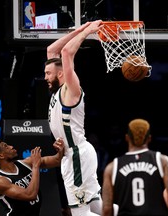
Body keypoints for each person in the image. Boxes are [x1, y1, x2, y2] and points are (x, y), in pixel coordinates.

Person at [44, 20, 118, 216]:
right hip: (75, 155)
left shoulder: (70, 89)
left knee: (80, 214)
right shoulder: (58, 89)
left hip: (77, 155)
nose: (45, 77)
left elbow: (67, 53)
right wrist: (82, 28)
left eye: (48, 73)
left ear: (60, 73)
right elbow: (52, 49)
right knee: (98, 208)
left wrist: (89, 32)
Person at [102, 118, 168, 216]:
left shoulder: (112, 168)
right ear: (149, 138)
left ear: (127, 138)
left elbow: (107, 208)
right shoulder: (163, 161)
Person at [0, 138, 64, 216]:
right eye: (6, 146)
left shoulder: (25, 163)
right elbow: (30, 195)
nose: (11, 146)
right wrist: (35, 166)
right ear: (1, 156)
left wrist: (60, 149)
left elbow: (58, 160)